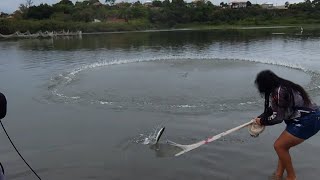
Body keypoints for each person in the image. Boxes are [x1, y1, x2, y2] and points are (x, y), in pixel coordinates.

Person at [254, 70, 320, 180]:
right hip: (310, 117)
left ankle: (291, 177)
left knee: (279, 146)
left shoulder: (279, 92)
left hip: (308, 119)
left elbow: (278, 118)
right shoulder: (282, 87)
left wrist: (262, 122)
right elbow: (273, 109)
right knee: (283, 147)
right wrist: (261, 117)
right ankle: (278, 175)